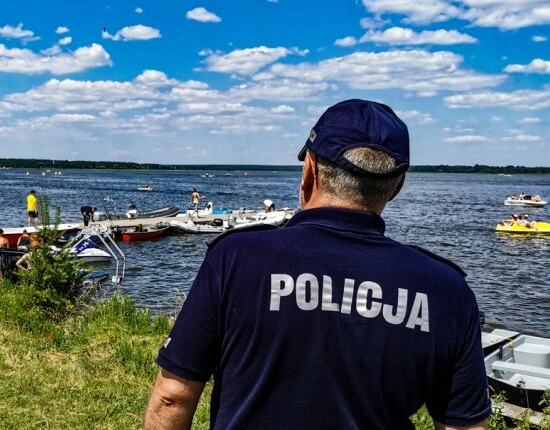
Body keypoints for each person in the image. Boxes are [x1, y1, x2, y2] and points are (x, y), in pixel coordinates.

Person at [145, 99, 490, 429]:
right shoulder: (447, 291)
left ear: (309, 169)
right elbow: (465, 426)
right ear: (397, 186)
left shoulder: (235, 258)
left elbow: (172, 398)